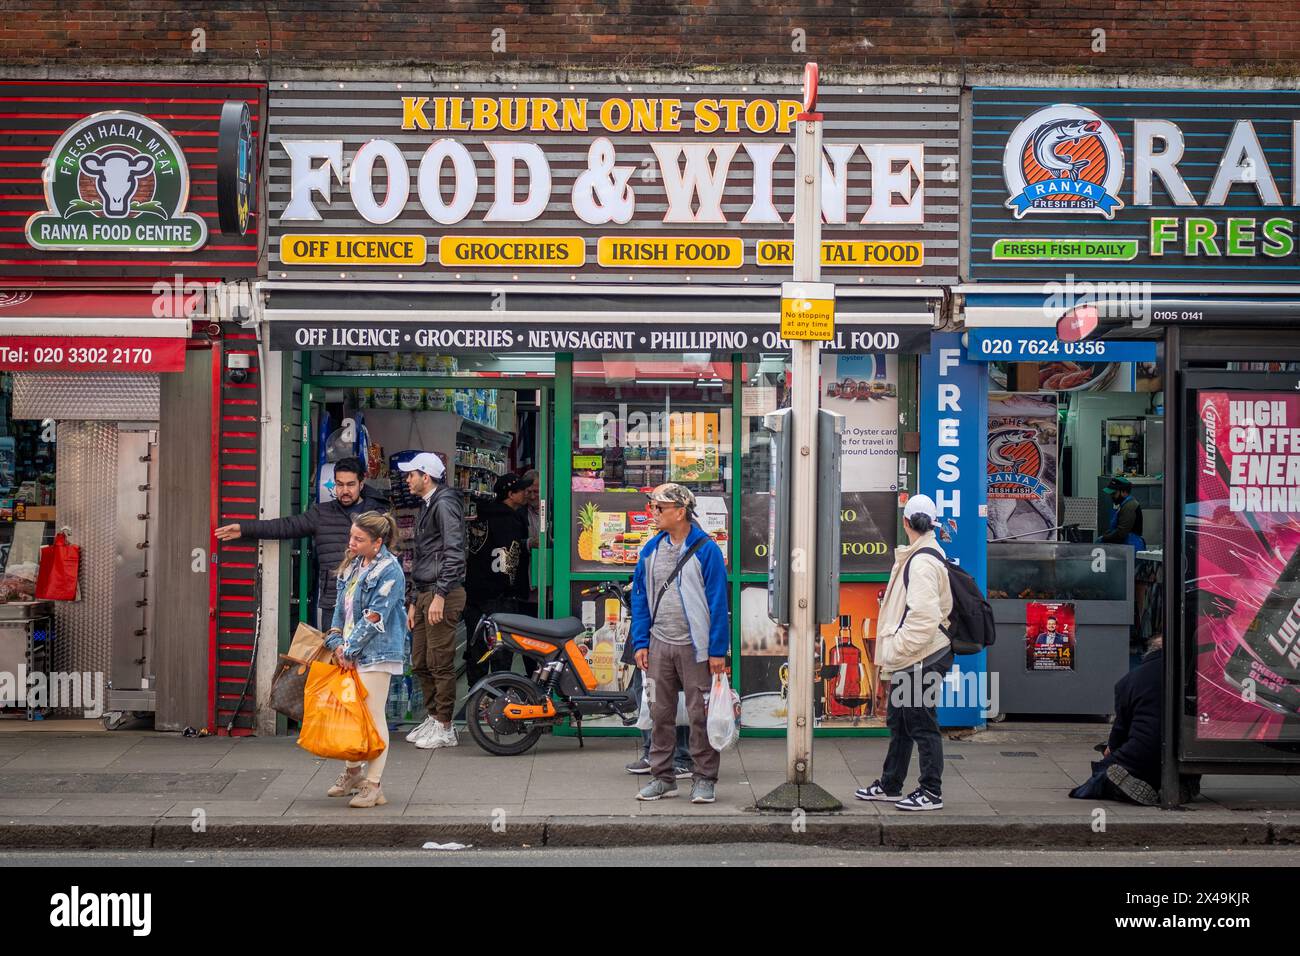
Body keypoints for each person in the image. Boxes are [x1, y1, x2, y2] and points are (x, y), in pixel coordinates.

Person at [629, 483, 730, 804]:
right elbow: (640, 598)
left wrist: (718, 650)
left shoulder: (707, 550)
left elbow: (718, 603)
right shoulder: (650, 550)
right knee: (659, 712)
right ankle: (662, 777)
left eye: (659, 508)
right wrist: (641, 642)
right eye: (652, 507)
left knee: (700, 714)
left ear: (680, 511)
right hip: (659, 647)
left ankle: (704, 779)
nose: (653, 513)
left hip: (696, 648)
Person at [855, 494, 953, 811]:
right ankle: (890, 784)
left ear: (905, 522)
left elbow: (923, 619)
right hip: (917, 655)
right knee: (900, 722)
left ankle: (931, 791)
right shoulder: (918, 555)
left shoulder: (922, 562)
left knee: (922, 724)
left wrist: (897, 651)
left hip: (922, 656)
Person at [215, 456, 386, 627]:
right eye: (340, 484)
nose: (345, 490)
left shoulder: (377, 515)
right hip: (334, 603)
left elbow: (390, 559)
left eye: (350, 484)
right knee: (335, 653)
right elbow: (285, 526)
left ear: (361, 484)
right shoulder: (321, 513)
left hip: (368, 602)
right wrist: (244, 529)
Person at [322, 511, 407, 809]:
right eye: (351, 536)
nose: (352, 542)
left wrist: (348, 649)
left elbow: (375, 617)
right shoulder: (354, 565)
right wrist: (335, 642)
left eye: (359, 539)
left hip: (377, 654)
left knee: (372, 716)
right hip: (350, 651)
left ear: (378, 542)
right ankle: (354, 772)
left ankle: (374, 785)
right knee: (352, 715)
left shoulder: (390, 570)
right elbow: (339, 607)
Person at [398, 452, 467, 751]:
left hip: (443, 594)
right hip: (427, 592)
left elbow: (455, 551)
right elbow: (424, 556)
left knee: (439, 662)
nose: (407, 479)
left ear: (425, 476)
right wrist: (415, 599)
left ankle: (445, 726)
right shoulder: (429, 505)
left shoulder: (444, 503)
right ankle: (434, 716)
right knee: (421, 661)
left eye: (411, 474)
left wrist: (439, 595)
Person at [1069, 636, 1163, 806]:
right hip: (1181, 754)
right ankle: (1173, 784)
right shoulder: (1187, 674)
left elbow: (1120, 728)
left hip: (1142, 754)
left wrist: (1111, 749)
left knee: (1101, 774)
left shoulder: (1129, 681)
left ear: (1148, 653)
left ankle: (1120, 783)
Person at [463, 472, 532, 687]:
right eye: (522, 490)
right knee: (501, 649)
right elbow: (509, 558)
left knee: (477, 647)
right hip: (500, 595)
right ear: (510, 494)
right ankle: (498, 696)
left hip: (475, 593)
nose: (527, 494)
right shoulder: (508, 520)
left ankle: (477, 694)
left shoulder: (482, 516)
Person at [624, 663, 693, 779]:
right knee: (645, 690)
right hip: (645, 650)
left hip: (668, 649)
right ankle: (653, 753)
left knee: (676, 693)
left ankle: (683, 758)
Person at [1097, 475, 1145, 550]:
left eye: (1114, 493)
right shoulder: (1123, 505)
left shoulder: (1130, 506)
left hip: (1131, 547)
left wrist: (1104, 538)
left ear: (1124, 492)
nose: (1111, 496)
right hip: (1126, 547)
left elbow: (1121, 532)